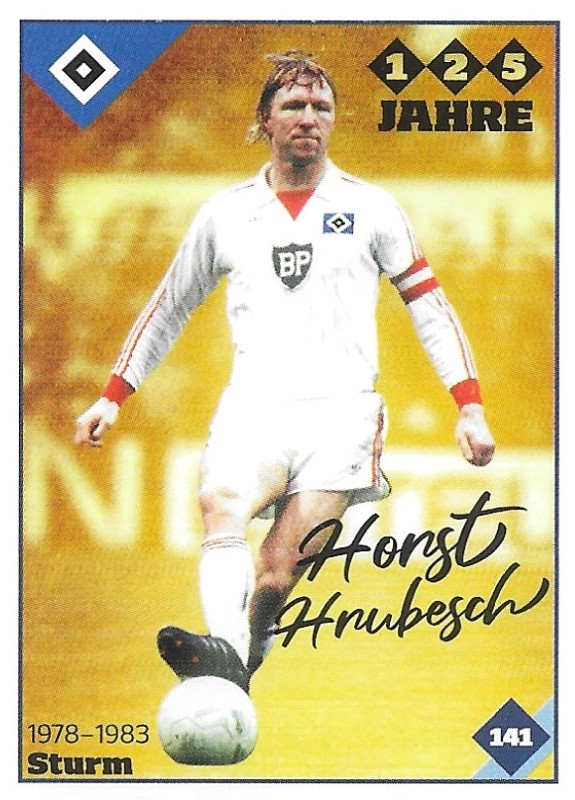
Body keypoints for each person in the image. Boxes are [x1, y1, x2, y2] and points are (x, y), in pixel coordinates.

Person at [75, 51, 495, 693]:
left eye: (321, 107)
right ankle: (225, 665)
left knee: (275, 574)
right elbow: (168, 306)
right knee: (221, 505)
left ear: (333, 120)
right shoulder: (225, 213)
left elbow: (430, 308)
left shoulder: (371, 207)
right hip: (255, 407)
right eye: (294, 106)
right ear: (265, 121)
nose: (308, 117)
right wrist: (113, 395)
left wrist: (468, 405)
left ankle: (240, 660)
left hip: (341, 415)